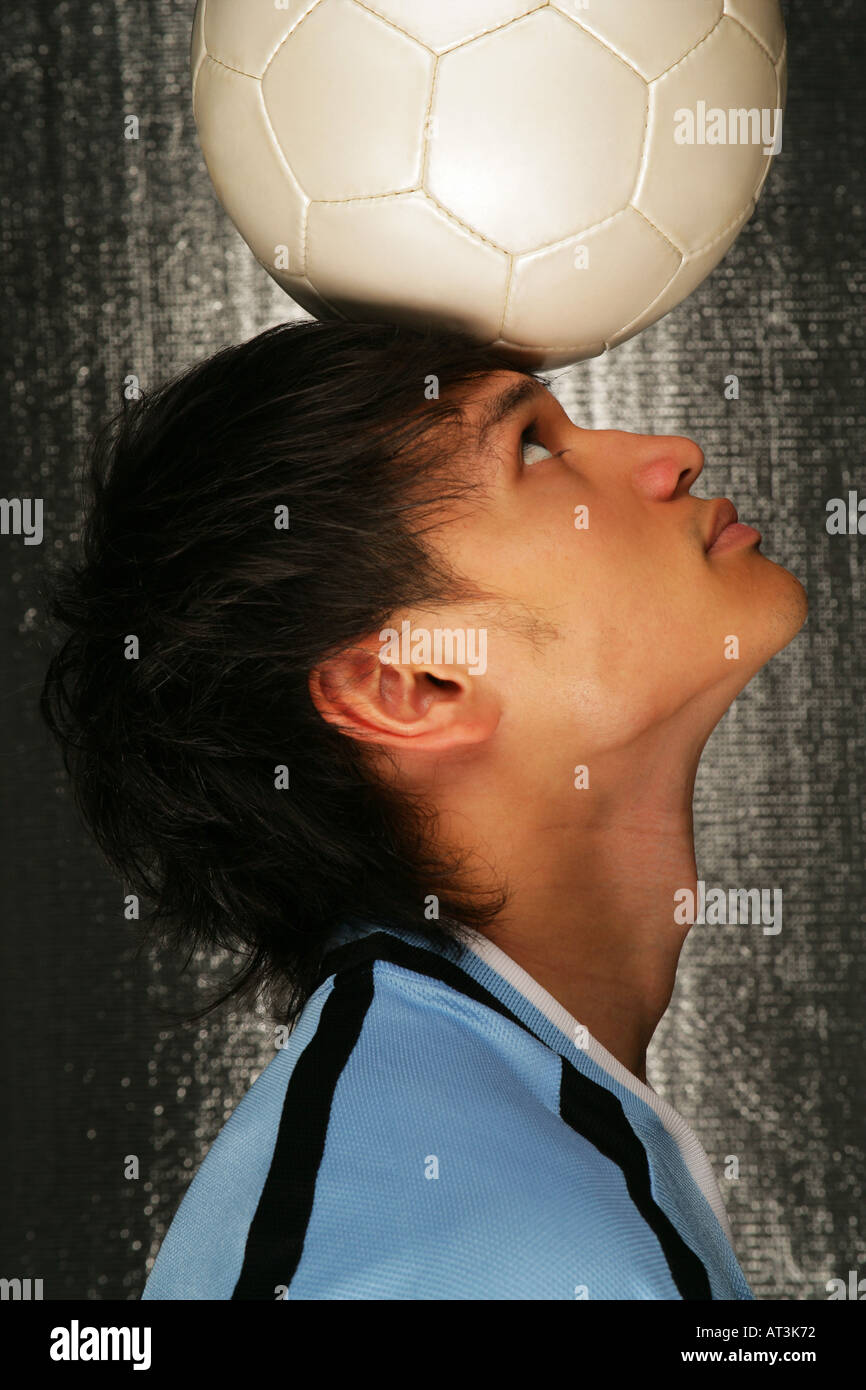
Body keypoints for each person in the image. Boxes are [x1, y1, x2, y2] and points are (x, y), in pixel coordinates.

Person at [40, 318, 807, 1300]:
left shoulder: (483, 1161)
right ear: (411, 686)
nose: (669, 456)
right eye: (531, 449)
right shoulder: (452, 1250)